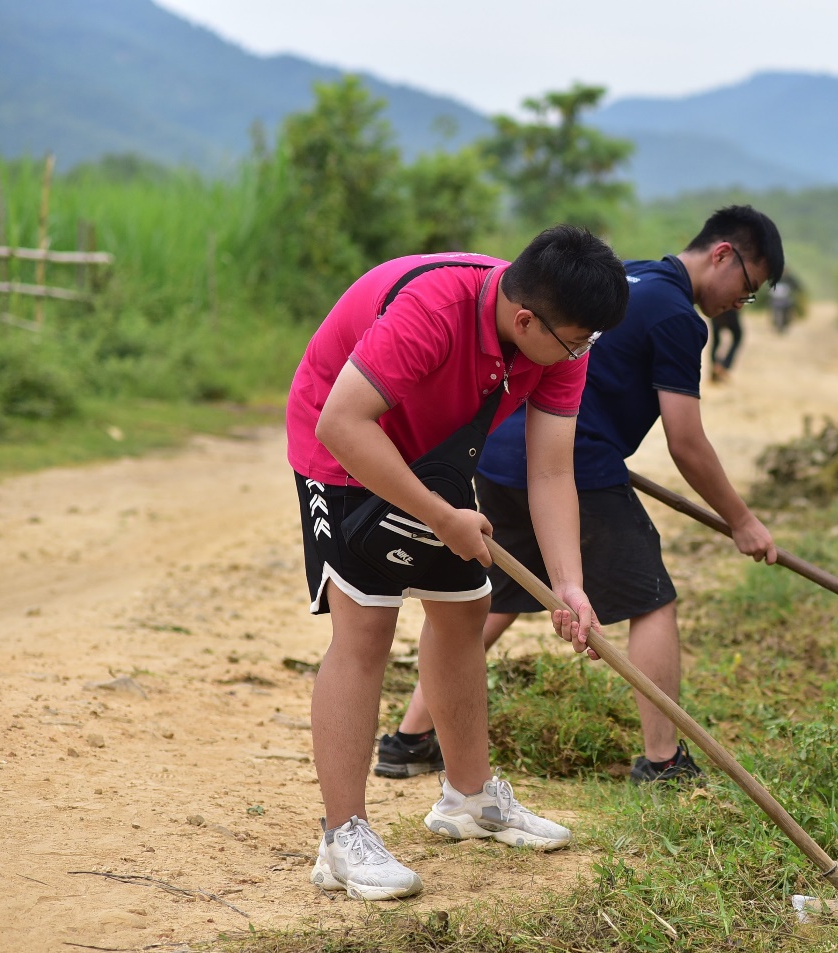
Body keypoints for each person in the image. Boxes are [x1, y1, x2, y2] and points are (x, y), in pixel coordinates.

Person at [378, 206, 785, 785]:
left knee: (504, 594)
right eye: (746, 290)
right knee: (651, 599)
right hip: (570, 466)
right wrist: (743, 521)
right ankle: (664, 761)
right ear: (722, 254)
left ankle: (409, 738)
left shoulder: (628, 277)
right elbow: (686, 441)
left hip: (499, 457)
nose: (738, 303)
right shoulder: (679, 318)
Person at [287, 226, 629, 900]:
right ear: (525, 319)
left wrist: (569, 583)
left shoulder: (562, 336)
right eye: (575, 342)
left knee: (465, 607)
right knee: (365, 629)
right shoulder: (434, 311)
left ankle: (468, 799)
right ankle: (342, 836)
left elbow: (552, 467)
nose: (581, 353)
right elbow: (342, 423)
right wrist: (442, 515)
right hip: (346, 441)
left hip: (433, 449)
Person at [708, 308, 741, 382]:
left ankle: (716, 365)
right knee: (737, 337)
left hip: (715, 309)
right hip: (730, 309)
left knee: (716, 341)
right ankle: (723, 366)